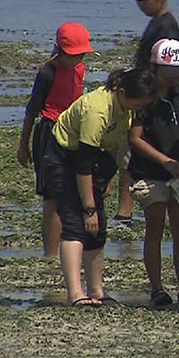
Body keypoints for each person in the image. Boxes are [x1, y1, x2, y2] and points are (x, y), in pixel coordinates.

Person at [40, 68, 158, 306]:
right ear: (122, 91)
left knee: (97, 229)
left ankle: (97, 291)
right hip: (64, 158)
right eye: (137, 103)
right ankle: (75, 294)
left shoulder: (124, 108)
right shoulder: (97, 109)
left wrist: (106, 180)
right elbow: (82, 162)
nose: (138, 109)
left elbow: (114, 148)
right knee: (75, 224)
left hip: (95, 161)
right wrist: (89, 208)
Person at [127, 39, 179, 309]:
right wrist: (164, 161)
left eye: (177, 73)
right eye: (167, 73)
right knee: (155, 226)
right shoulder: (144, 95)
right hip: (151, 170)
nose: (172, 79)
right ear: (153, 67)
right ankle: (157, 289)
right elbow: (135, 139)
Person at [108, 0, 179, 232]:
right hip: (142, 91)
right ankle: (124, 212)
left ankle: (124, 213)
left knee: (131, 153)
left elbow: (168, 69)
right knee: (128, 154)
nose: (141, 4)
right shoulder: (156, 21)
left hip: (149, 98)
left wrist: (148, 95)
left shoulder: (167, 26)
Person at [17, 22, 93, 259]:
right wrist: (23, 146)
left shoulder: (80, 69)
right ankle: (50, 254)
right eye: (74, 54)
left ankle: (70, 249)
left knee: (73, 192)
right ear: (61, 51)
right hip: (48, 132)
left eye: (81, 54)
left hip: (73, 129)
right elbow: (32, 111)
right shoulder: (47, 72)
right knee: (52, 196)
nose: (78, 58)